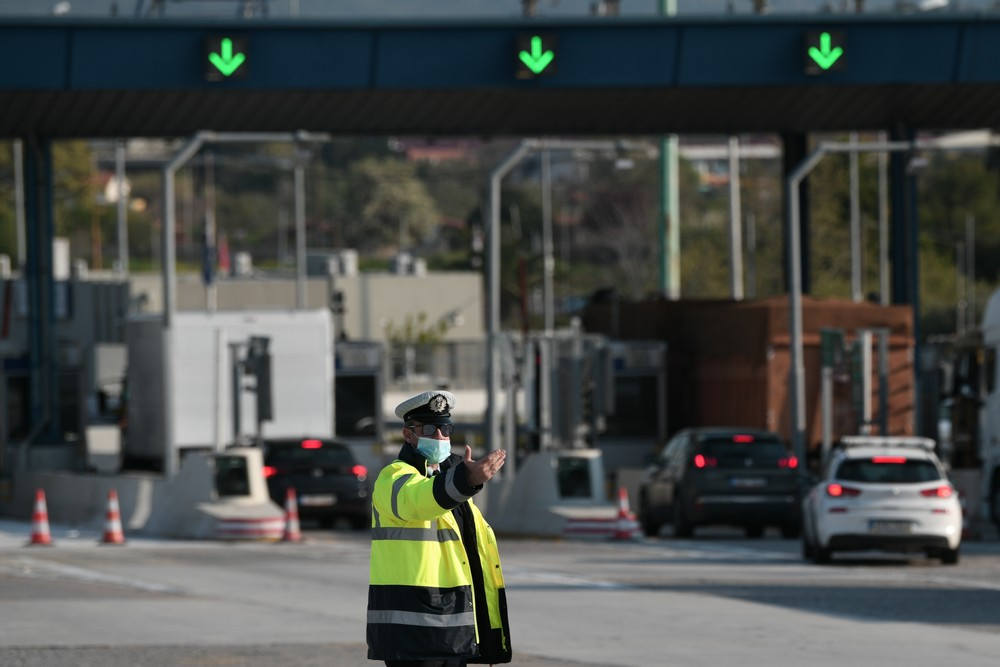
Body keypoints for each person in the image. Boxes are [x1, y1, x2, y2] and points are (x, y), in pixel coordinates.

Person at [367, 390, 512, 667]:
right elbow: (419, 500)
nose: (440, 437)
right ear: (408, 434)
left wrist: (486, 634)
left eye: (445, 429)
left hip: (451, 629)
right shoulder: (394, 477)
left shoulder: (454, 485)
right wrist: (465, 480)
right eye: (430, 429)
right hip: (413, 633)